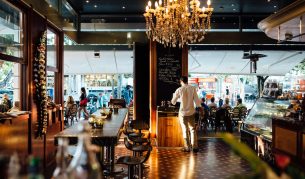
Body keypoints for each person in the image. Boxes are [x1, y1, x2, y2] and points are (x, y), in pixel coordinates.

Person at [171, 76, 202, 153]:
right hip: (191, 112)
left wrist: (176, 100)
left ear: (181, 81)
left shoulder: (179, 89)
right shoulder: (193, 88)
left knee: (185, 130)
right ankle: (195, 147)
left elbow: (173, 102)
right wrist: (199, 107)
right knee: (192, 129)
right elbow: (197, 100)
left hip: (183, 113)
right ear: (187, 81)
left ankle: (187, 147)